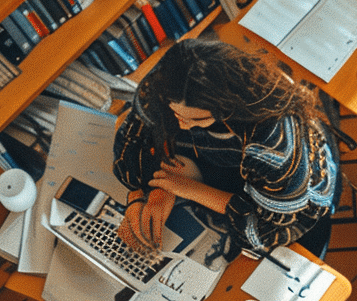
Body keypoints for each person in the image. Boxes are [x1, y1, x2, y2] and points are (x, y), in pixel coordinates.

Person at [113, 38, 339, 258]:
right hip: (223, 163)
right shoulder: (169, 84)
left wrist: (185, 188)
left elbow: (265, 225)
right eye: (175, 114)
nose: (181, 124)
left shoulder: (276, 148)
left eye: (195, 120)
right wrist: (138, 196)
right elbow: (132, 137)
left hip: (287, 200)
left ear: (227, 107)